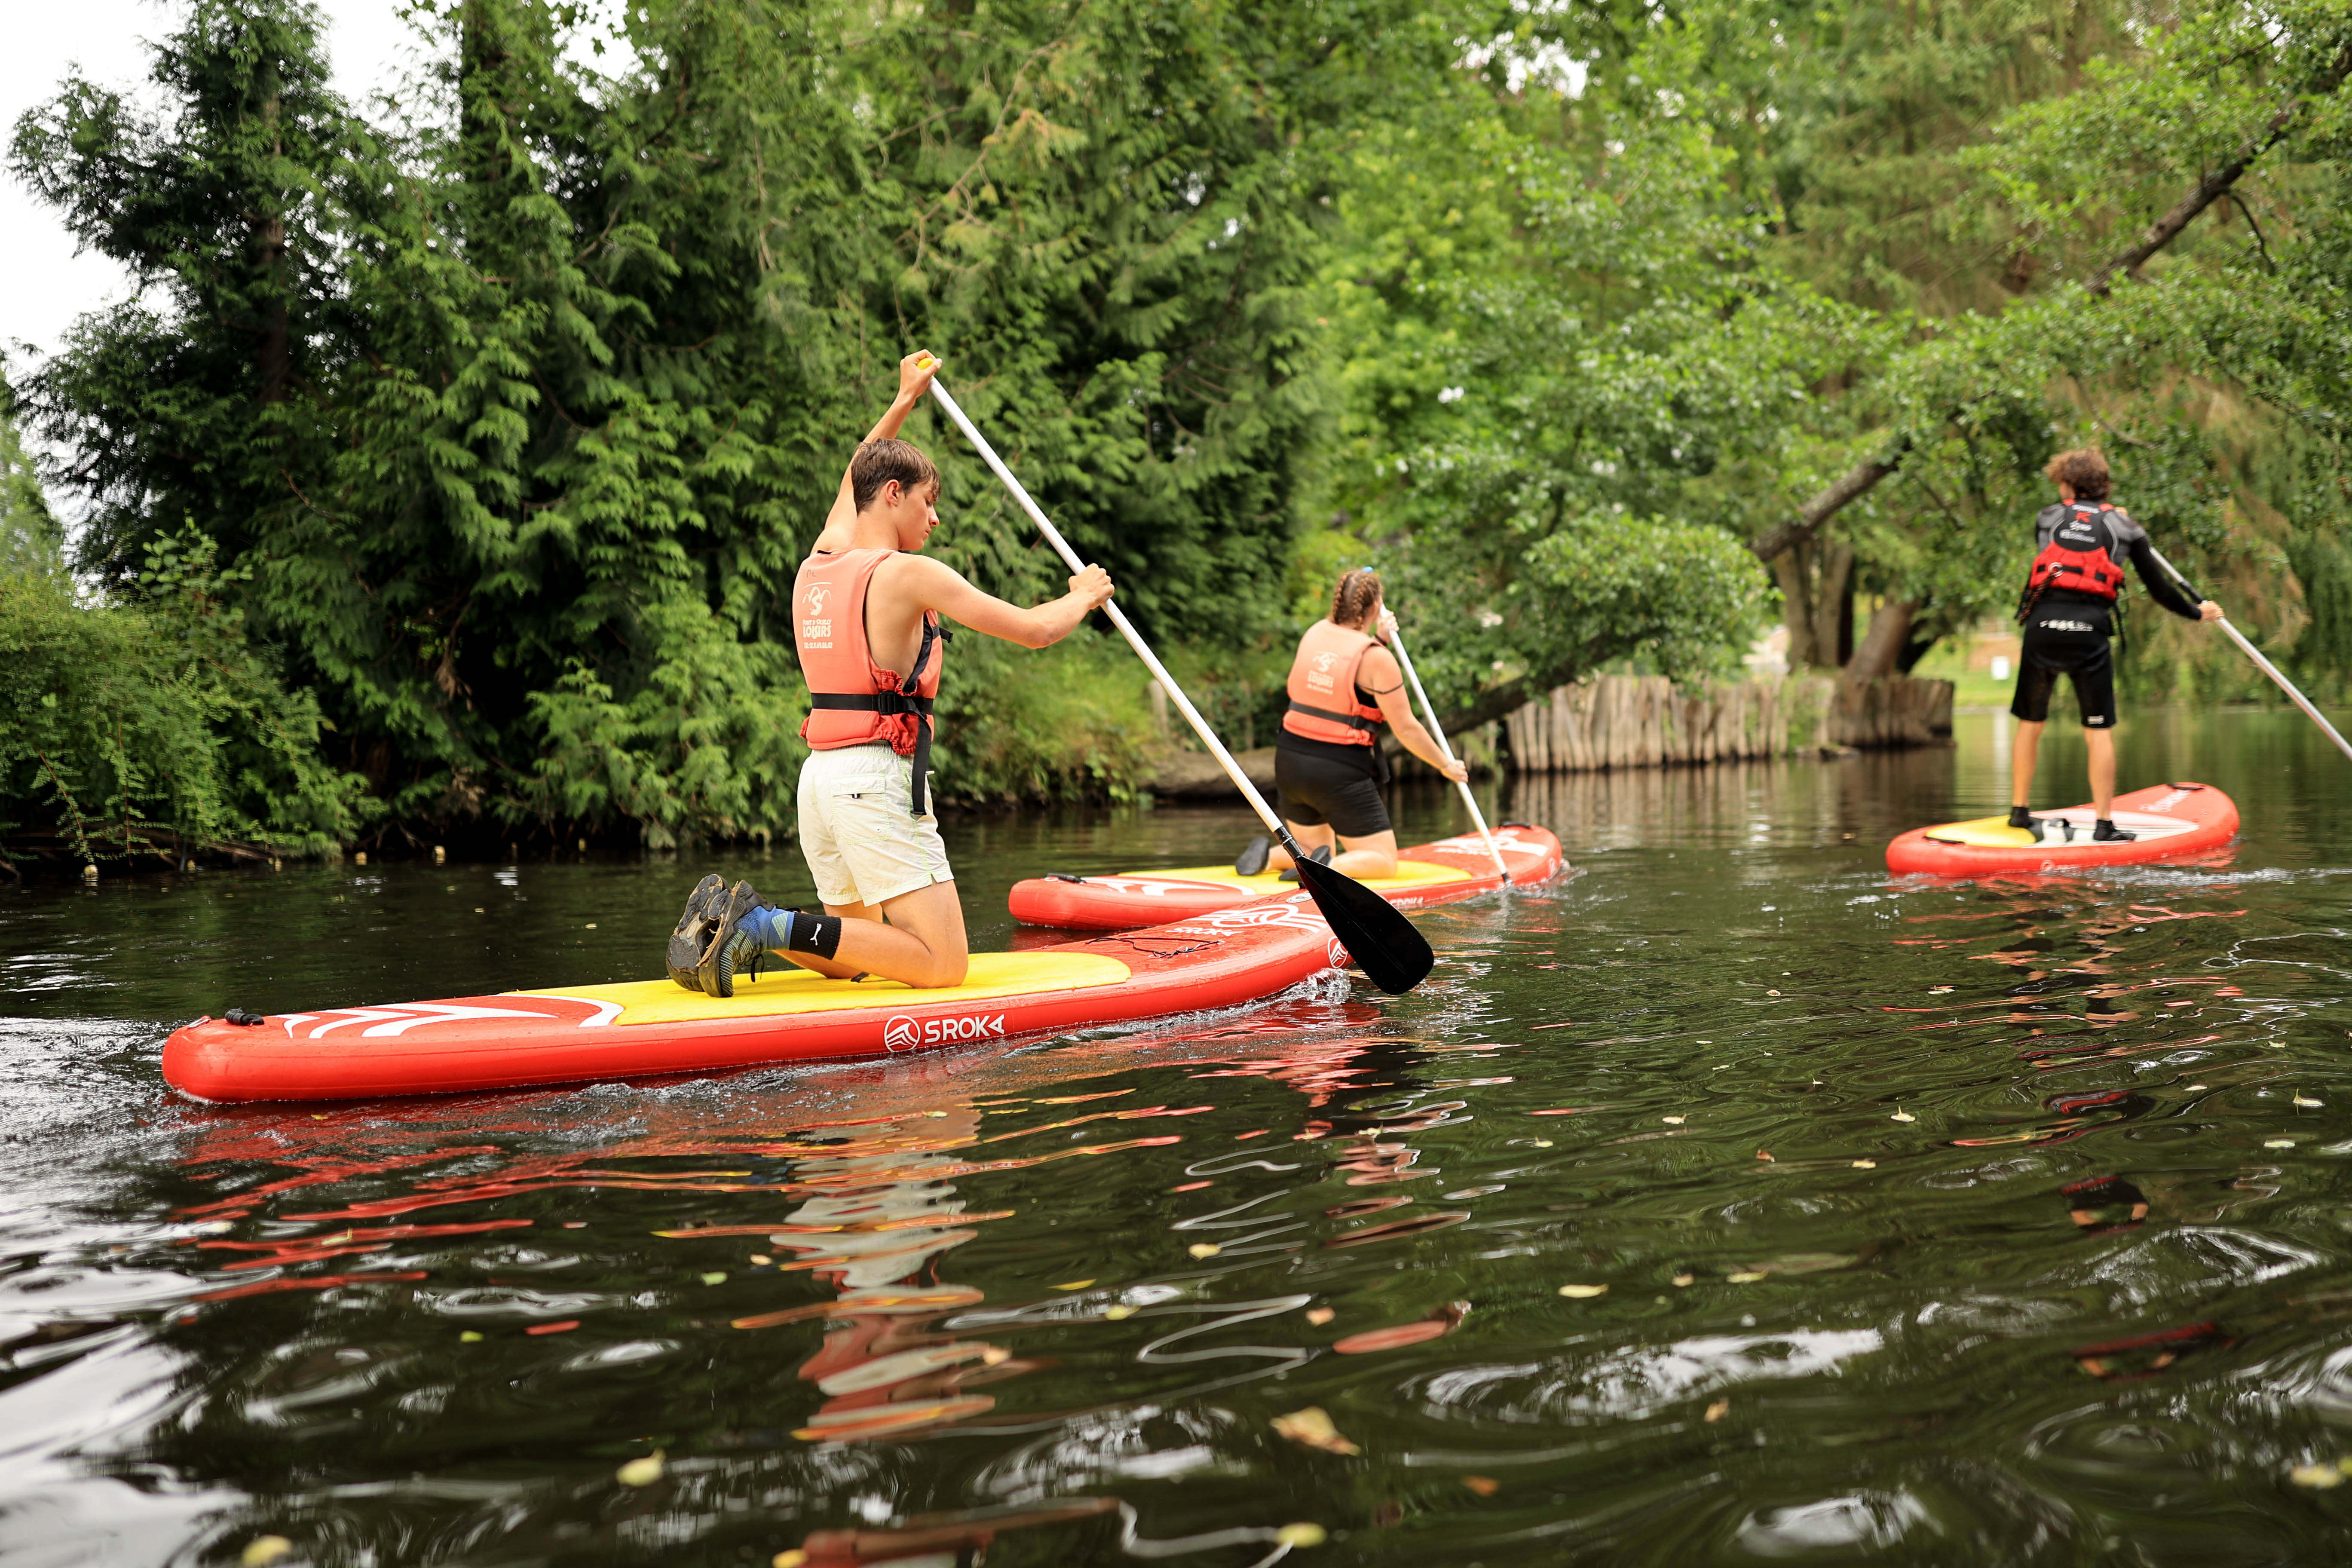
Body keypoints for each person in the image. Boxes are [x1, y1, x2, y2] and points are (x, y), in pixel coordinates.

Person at [667, 351, 1115, 996]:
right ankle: (761, 924)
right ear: (893, 494)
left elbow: (858, 472)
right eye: (929, 502)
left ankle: (738, 923)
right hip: (874, 781)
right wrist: (1083, 596)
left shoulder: (822, 559)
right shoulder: (908, 575)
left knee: (851, 952)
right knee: (942, 964)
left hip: (820, 780)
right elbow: (1035, 630)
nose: (935, 518)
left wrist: (906, 398)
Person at [2009, 447, 2223, 841]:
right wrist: (2198, 613)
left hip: (2043, 628)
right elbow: (2160, 590)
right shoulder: (2127, 529)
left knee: (2031, 722)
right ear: (2103, 485)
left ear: (2068, 484)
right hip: (2089, 632)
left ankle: (2020, 814)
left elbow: (2070, 532)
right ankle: (2104, 825)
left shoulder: (2046, 517)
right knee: (2098, 731)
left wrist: (2097, 516)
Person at [1235, 568, 1468, 882]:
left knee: (1310, 848)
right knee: (1383, 861)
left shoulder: (1315, 633)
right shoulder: (1379, 659)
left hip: (1290, 762)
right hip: (1336, 771)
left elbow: (1343, 664)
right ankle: (1325, 870)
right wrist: (1445, 765)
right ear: (1376, 607)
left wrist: (1380, 639)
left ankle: (1270, 858)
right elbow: (1406, 728)